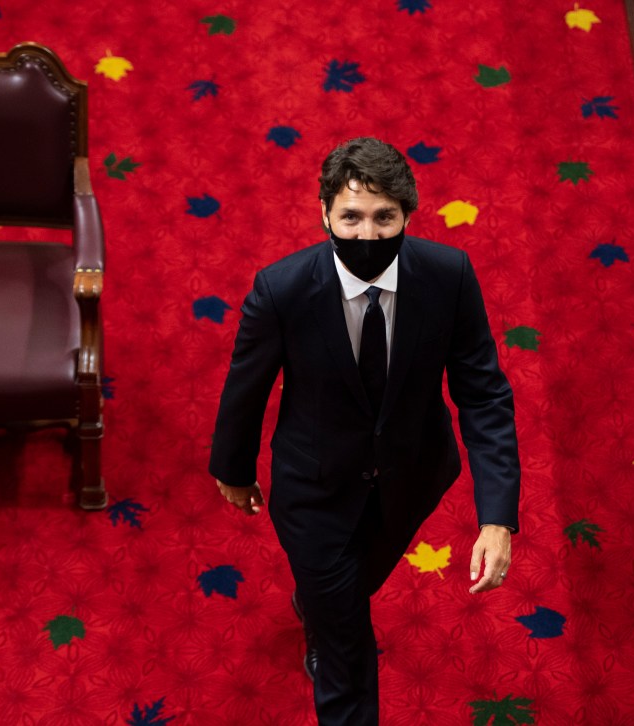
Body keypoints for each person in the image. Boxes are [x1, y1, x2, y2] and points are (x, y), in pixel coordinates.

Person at [209, 136, 520, 725]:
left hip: (412, 478)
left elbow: (483, 395)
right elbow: (246, 385)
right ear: (324, 212)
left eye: (385, 218)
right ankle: (328, 622)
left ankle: (319, 607)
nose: (367, 235)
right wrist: (234, 468)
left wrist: (497, 517)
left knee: (344, 593)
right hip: (314, 491)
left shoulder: (449, 276)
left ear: (408, 215)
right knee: (347, 650)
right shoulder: (282, 289)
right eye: (350, 217)